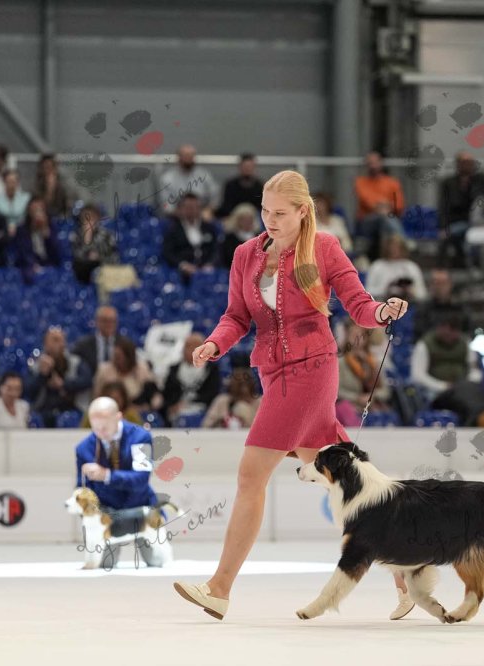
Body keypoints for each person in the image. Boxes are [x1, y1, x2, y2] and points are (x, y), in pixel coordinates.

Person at [172, 169, 409, 621]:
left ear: (303, 212)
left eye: (280, 213)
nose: (270, 219)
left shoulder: (324, 247)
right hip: (272, 372)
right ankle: (407, 569)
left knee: (250, 475)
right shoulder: (245, 254)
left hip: (312, 369)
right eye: (265, 210)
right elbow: (236, 316)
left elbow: (359, 304)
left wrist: (382, 311)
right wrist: (215, 344)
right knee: (354, 482)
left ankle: (219, 589)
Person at [75, 396, 171, 567]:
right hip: (108, 514)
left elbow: (141, 479)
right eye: (95, 427)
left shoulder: (140, 437)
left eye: (104, 427)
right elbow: (83, 489)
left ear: (118, 417)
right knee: (104, 566)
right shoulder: (84, 448)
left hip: (139, 507)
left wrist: (107, 475)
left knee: (158, 562)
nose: (100, 432)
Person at [162, 332, 221, 424]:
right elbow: (167, 393)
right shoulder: (174, 369)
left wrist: (190, 403)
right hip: (176, 410)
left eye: (195, 347)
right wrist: (173, 405)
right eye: (187, 347)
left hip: (203, 409)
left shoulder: (212, 370)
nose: (190, 350)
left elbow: (212, 393)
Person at [71, 204, 118, 284]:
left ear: (97, 219)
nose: (89, 221)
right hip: (84, 271)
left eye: (92, 218)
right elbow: (77, 257)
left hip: (103, 268)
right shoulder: (76, 236)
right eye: (85, 218)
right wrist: (87, 238)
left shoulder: (106, 235)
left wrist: (99, 257)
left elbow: (113, 257)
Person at [215, 153, 263, 219]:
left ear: (254, 167)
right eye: (245, 167)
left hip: (254, 220)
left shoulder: (260, 187)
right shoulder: (230, 185)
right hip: (233, 219)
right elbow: (226, 207)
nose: (247, 169)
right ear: (240, 167)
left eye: (249, 167)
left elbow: (262, 208)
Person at [219, 203, 261, 270]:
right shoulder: (230, 238)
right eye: (243, 219)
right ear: (237, 220)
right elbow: (227, 258)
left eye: (249, 219)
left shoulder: (260, 237)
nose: (247, 222)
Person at [33, 153, 72, 219]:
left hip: (60, 218)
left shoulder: (63, 185)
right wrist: (50, 189)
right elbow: (41, 207)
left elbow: (68, 206)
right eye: (46, 168)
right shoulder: (36, 186)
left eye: (51, 167)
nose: (48, 171)